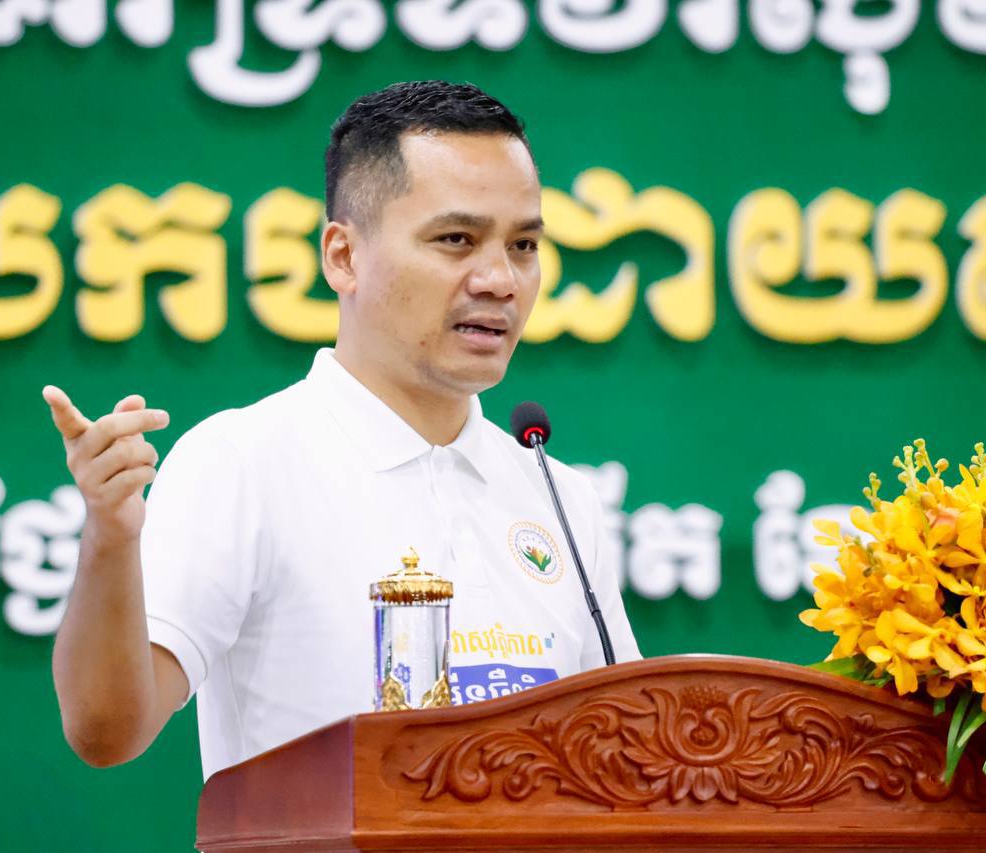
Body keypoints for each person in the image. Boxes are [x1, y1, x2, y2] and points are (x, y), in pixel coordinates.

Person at [43, 80, 641, 781]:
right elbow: (108, 731)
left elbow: (627, 762)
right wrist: (110, 539)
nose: (500, 279)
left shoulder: (557, 497)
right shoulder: (242, 463)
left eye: (524, 244)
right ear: (343, 256)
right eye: (456, 240)